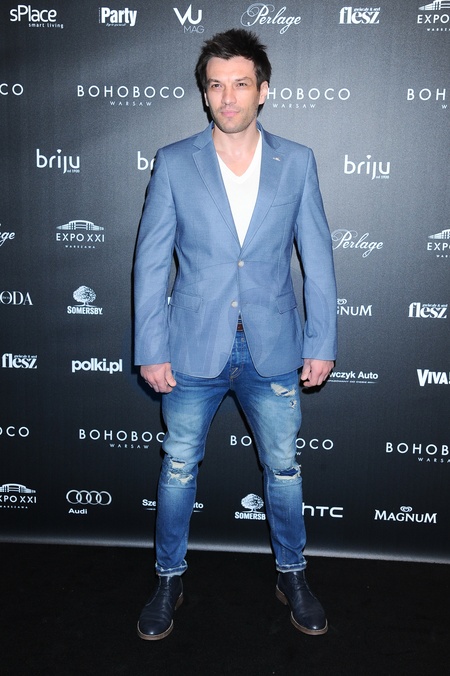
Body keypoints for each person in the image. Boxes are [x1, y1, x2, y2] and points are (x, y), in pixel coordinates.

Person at [133, 28, 337, 640]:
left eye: (241, 84)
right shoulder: (174, 161)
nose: (228, 97)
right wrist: (151, 348)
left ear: (262, 90)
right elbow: (151, 262)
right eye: (216, 85)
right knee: (178, 468)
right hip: (191, 346)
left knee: (284, 469)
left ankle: (293, 575)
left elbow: (318, 257)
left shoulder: (296, 160)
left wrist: (321, 341)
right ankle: (168, 579)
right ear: (204, 94)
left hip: (273, 346)